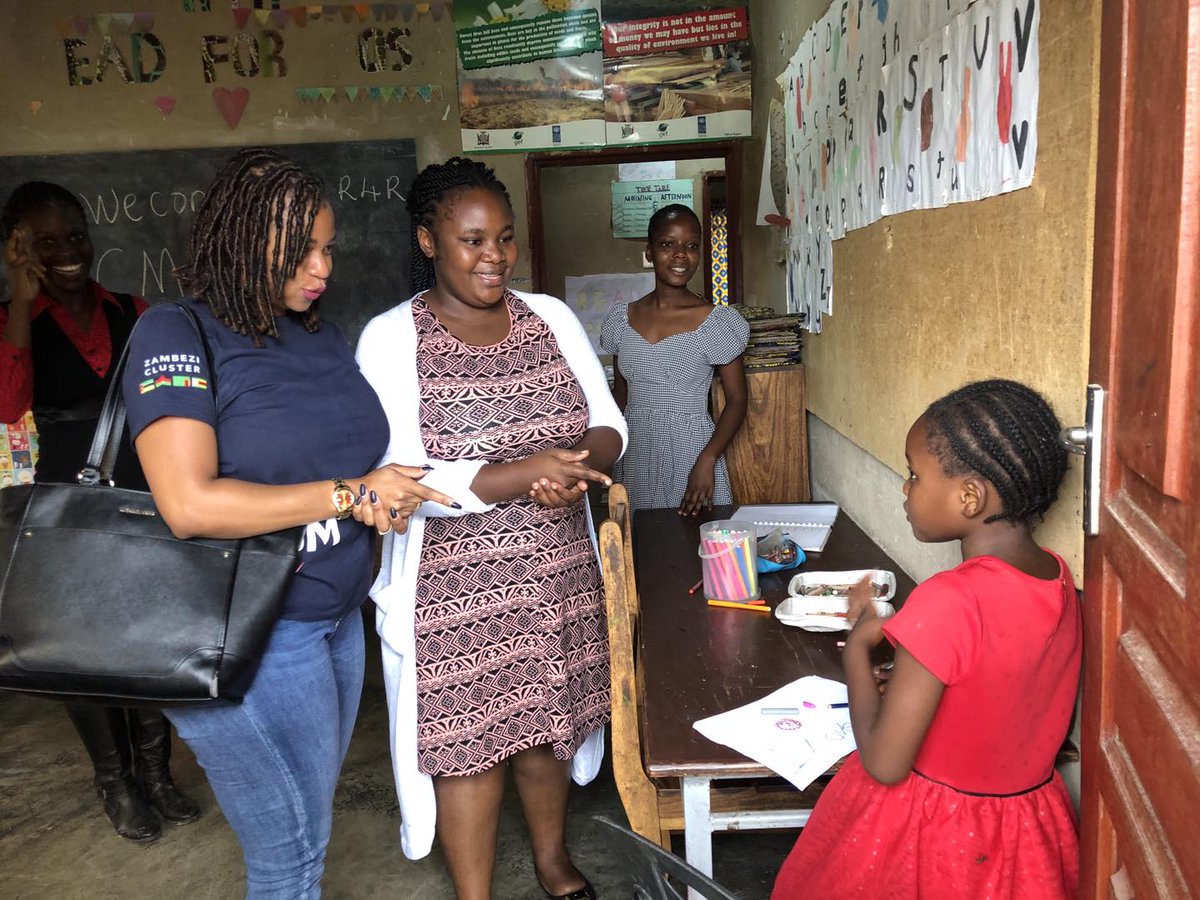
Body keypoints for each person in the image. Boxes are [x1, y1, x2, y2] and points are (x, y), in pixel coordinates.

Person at [119, 148, 456, 898]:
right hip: (246, 633)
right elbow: (190, 505)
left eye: (328, 248)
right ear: (241, 241)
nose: (321, 268)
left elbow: (340, 472)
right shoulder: (177, 335)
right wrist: (348, 492)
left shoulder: (319, 337)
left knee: (310, 829)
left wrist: (378, 497)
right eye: (299, 250)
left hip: (334, 622)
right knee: (291, 854)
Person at [355, 157, 626, 900]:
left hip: (558, 567)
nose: (495, 257)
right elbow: (402, 476)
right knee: (469, 744)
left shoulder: (551, 318)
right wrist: (522, 472)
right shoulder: (391, 338)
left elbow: (607, 422)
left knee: (546, 723)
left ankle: (550, 859)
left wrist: (572, 468)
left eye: (504, 239)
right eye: (473, 240)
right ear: (428, 241)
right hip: (455, 585)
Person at [771, 379, 1081, 899]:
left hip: (934, 834)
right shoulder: (1057, 577)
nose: (905, 488)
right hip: (1025, 833)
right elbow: (993, 686)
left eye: (915, 474)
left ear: (969, 496)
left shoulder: (949, 600)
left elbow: (886, 763)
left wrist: (859, 649)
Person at [0, 181, 200, 843]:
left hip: (144, 494)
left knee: (145, 644)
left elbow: (170, 398)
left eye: (74, 235)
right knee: (79, 652)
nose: (66, 252)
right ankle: (114, 780)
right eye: (44, 242)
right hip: (66, 506)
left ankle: (156, 771)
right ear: (18, 251)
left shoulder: (134, 311)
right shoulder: (11, 322)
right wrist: (23, 307)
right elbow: (8, 405)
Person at [600, 203, 748, 515]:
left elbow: (736, 400)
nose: (681, 255)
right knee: (642, 549)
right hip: (636, 451)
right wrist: (603, 455)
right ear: (650, 251)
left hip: (693, 452)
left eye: (691, 246)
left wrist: (708, 460)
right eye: (668, 244)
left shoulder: (715, 322)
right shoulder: (622, 319)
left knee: (697, 546)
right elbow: (622, 396)